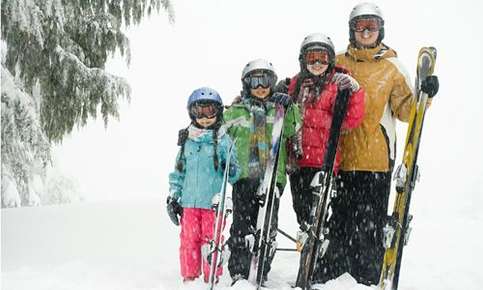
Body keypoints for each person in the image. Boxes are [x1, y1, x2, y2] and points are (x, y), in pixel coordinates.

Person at [312, 3, 440, 287]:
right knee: (337, 221)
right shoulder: (338, 61)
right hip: (339, 157)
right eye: (361, 26)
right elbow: (315, 85)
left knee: (368, 224)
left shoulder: (392, 67)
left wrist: (424, 94)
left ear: (381, 29)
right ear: (352, 30)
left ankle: (366, 276)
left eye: (372, 26)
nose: (366, 31)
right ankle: (329, 273)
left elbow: (407, 112)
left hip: (376, 159)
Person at [278, 33, 365, 253]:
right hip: (298, 160)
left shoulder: (337, 82)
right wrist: (278, 90)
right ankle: (307, 253)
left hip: (323, 161)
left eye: (322, 58)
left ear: (331, 61)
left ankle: (319, 258)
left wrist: (355, 91)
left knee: (319, 213)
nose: (317, 64)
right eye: (311, 58)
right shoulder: (297, 83)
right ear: (303, 60)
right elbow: (285, 111)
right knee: (301, 210)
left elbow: (351, 120)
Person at [223, 59, 301, 285]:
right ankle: (239, 270)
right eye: (255, 80)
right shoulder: (237, 111)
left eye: (265, 80)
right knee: (241, 224)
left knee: (267, 225)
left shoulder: (277, 110)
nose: (260, 86)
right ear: (246, 84)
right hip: (244, 176)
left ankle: (262, 268)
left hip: (271, 178)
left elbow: (292, 129)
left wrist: (289, 106)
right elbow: (218, 132)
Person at [167, 87, 240, 284]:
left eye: (210, 112)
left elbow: (234, 174)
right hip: (190, 203)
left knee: (212, 240)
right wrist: (174, 196)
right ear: (192, 114)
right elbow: (178, 172)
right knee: (189, 241)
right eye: (199, 113)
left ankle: (211, 278)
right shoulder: (187, 142)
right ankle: (190, 278)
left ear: (217, 113)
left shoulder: (224, 141)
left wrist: (230, 167)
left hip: (213, 204)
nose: (205, 118)